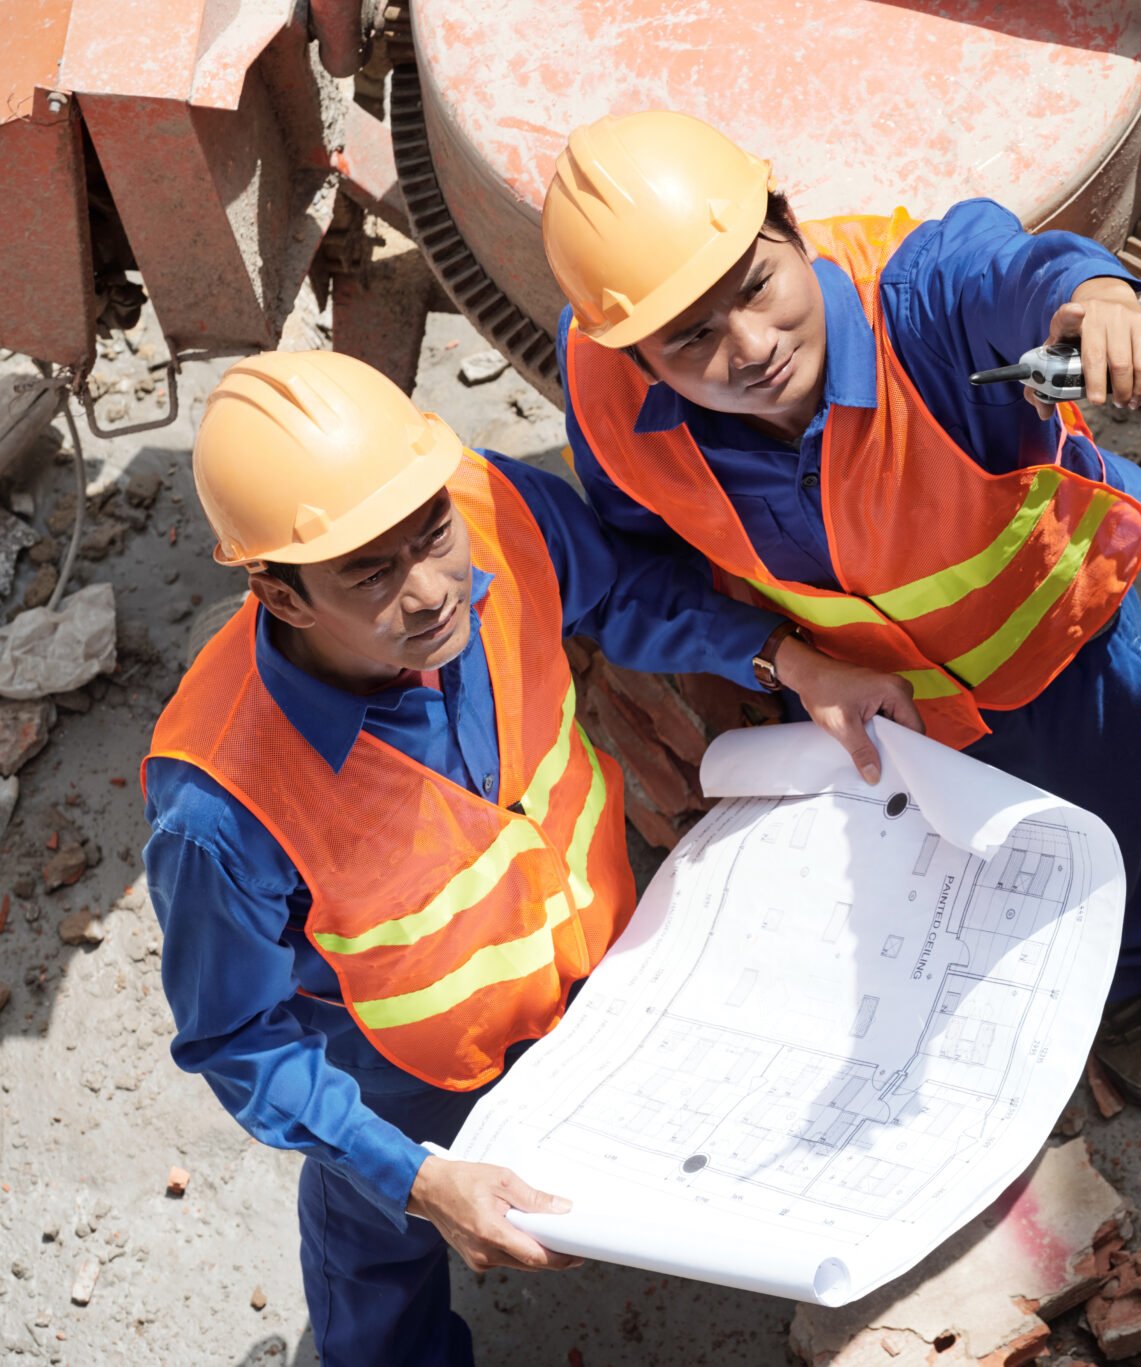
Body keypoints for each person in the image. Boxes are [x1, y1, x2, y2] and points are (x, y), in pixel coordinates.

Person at [140, 350, 911, 1366]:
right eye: (370, 572)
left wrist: (788, 660)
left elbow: (625, 587)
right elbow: (241, 1042)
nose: (430, 590)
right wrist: (414, 1173)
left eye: (430, 536)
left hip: (594, 959)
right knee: (379, 1243)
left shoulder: (489, 507)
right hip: (401, 1065)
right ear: (279, 596)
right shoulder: (221, 800)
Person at [540, 110, 1141, 1104]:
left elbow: (1007, 267)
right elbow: (638, 572)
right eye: (691, 338)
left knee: (1108, 825)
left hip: (1051, 663)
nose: (751, 346)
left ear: (789, 223)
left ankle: (1130, 979)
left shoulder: (914, 306)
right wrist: (784, 663)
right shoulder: (604, 390)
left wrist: (1095, 296)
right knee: (932, 884)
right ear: (632, 354)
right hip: (864, 706)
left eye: (756, 285)